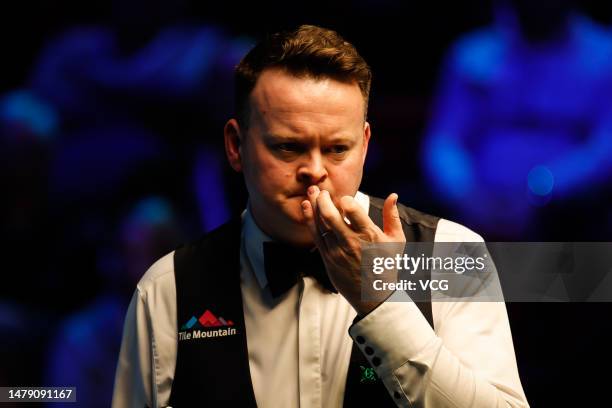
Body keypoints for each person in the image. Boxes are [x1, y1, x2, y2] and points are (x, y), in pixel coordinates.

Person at [112, 25, 528, 407]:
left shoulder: (451, 256)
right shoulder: (167, 289)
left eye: (336, 149)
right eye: (288, 147)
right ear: (236, 146)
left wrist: (381, 301)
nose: (315, 169)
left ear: (364, 146)